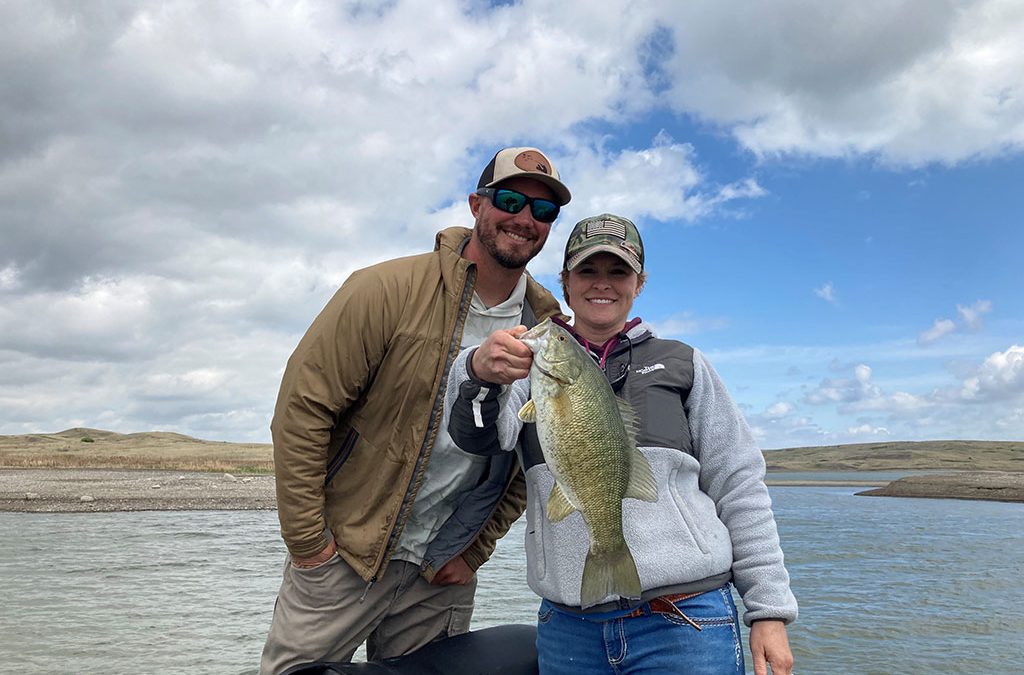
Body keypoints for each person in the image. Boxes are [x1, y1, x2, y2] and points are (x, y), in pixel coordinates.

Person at [260, 147, 572, 674]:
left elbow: (533, 458)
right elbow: (302, 411)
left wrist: (474, 550)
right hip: (345, 555)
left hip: (440, 570)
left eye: (543, 211)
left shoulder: (550, 329)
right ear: (477, 204)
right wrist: (310, 543)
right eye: (511, 200)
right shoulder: (384, 289)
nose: (524, 219)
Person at [445, 214, 798, 675]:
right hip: (569, 626)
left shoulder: (683, 363)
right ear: (566, 283)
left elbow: (740, 486)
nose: (602, 285)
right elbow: (478, 437)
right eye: (588, 271)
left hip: (688, 620)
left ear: (639, 283)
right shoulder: (525, 366)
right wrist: (475, 372)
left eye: (619, 272)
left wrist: (768, 608)